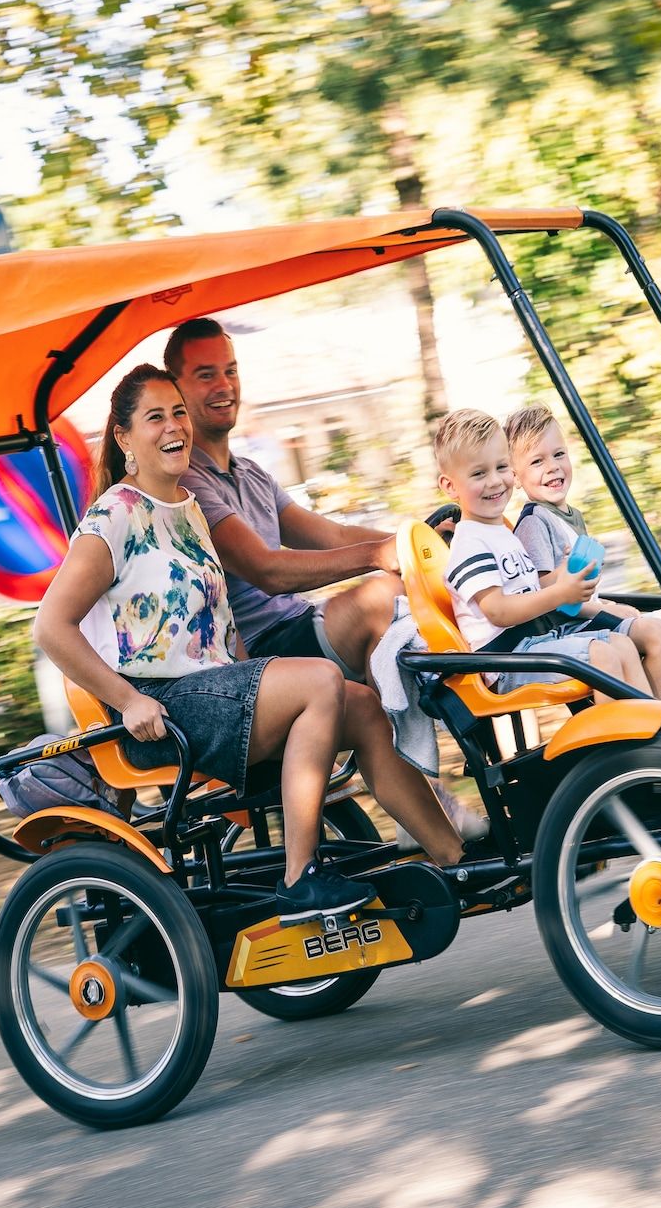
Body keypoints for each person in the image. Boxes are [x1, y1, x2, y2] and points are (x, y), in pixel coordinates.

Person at [35, 366, 478, 917]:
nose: (175, 426)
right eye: (156, 417)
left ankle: (456, 862)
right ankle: (301, 879)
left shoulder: (187, 509)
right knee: (322, 679)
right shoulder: (116, 515)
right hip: (164, 708)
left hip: (216, 693)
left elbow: (218, 629)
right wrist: (127, 701)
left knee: (362, 704)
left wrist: (262, 676)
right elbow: (51, 627)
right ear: (123, 438)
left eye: (178, 412)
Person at [167, 317, 400, 680]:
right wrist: (378, 555)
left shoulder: (252, 473)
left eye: (230, 370)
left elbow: (333, 536)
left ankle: (407, 734)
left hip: (299, 624)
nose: (225, 385)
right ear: (175, 390)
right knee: (385, 598)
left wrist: (412, 541)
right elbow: (268, 571)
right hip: (260, 655)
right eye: (206, 375)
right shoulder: (187, 484)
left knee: (407, 615)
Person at [434, 409, 651, 698]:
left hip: (537, 642)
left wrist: (560, 577)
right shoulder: (470, 542)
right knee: (604, 655)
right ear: (450, 486)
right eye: (478, 473)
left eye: (501, 467)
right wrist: (560, 594)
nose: (496, 481)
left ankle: (658, 733)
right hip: (507, 659)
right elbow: (498, 611)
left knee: (621, 645)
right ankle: (626, 740)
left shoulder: (501, 534)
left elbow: (529, 589)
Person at [503, 404, 661, 708]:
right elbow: (546, 595)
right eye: (537, 461)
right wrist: (607, 612)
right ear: (516, 477)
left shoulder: (570, 516)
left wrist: (609, 605)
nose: (552, 467)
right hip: (566, 629)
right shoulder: (534, 523)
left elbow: (584, 588)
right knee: (656, 632)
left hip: (588, 617)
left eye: (558, 454)